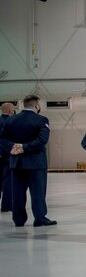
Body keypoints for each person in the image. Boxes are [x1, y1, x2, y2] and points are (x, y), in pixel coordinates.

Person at [0, 95, 56, 227]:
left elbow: (1, 139)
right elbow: (42, 140)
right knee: (38, 192)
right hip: (36, 162)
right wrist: (24, 147)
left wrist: (13, 147)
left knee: (18, 193)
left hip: (16, 162)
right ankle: (40, 218)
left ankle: (18, 220)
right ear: (36, 106)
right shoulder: (41, 120)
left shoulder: (11, 120)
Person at [0, 102, 17, 212]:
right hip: (6, 156)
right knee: (7, 180)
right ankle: (6, 205)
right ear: (10, 110)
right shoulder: (10, 122)